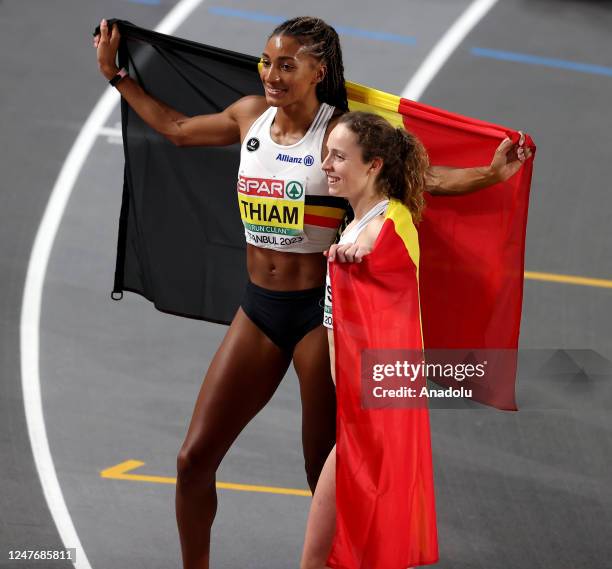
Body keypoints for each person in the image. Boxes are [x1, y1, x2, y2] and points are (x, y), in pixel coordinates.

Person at [93, 15, 530, 569]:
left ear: (317, 71)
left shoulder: (338, 134)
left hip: (315, 322)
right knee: (192, 459)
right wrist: (117, 78)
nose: (271, 75)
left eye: (286, 65)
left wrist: (490, 177)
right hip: (257, 309)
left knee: (321, 469)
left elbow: (421, 180)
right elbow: (178, 129)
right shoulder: (250, 114)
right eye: (267, 62)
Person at [300, 111, 433, 569]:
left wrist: (361, 256)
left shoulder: (386, 224)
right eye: (327, 155)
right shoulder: (356, 222)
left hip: (375, 419)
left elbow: (386, 251)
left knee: (328, 552)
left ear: (373, 165)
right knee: (341, 549)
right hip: (359, 412)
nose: (327, 166)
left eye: (339, 157)